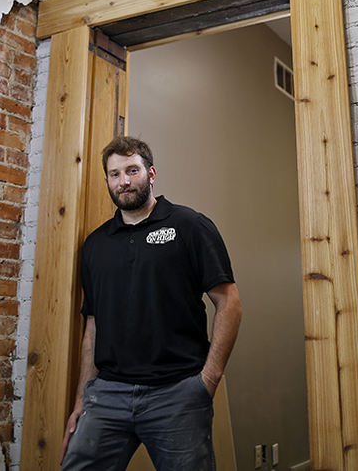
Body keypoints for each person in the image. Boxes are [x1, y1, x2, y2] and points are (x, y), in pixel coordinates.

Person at [61, 136, 242, 471]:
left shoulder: (189, 226)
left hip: (177, 394)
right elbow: (93, 325)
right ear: (107, 182)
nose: (124, 181)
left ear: (151, 173)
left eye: (132, 170)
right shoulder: (96, 245)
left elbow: (229, 302)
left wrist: (208, 380)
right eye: (115, 174)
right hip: (108, 394)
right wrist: (81, 399)